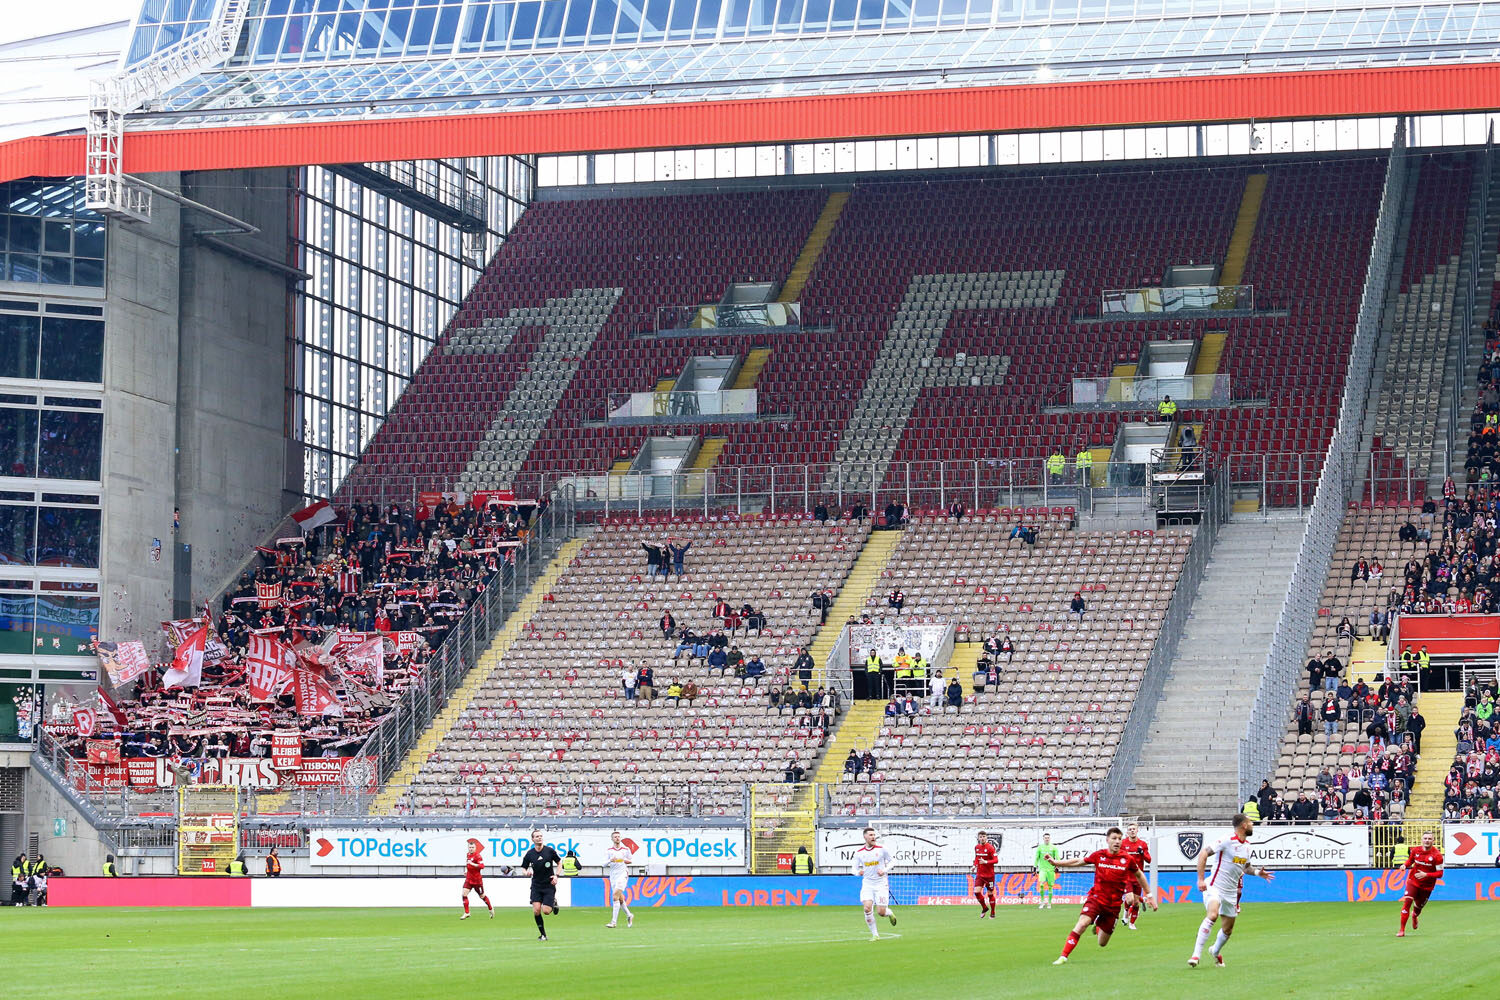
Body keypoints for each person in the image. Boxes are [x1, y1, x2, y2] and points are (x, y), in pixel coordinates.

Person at [1051, 827, 1156, 964]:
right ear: (1107, 840)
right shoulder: (1099, 855)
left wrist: (1149, 895)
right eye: (1114, 838)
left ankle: (1099, 923)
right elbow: (1078, 861)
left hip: (1113, 905)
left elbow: (1140, 875)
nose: (1117, 841)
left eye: (1119, 838)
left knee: (1102, 943)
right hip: (1096, 898)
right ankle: (1063, 956)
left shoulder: (1127, 859)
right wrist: (1056, 862)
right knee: (1083, 923)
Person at [1189, 813, 1275, 968]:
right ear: (1243, 825)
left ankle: (1214, 952)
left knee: (1227, 930)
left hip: (1230, 893)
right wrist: (1200, 879)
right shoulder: (1226, 840)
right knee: (1213, 914)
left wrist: (1257, 873)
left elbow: (1246, 867)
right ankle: (1196, 955)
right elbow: (1203, 853)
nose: (1252, 825)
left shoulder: (1247, 846)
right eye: (1250, 822)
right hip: (1214, 886)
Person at [851, 827, 898, 940]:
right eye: (870, 835)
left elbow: (893, 861)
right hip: (867, 884)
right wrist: (858, 872)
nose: (873, 837)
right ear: (865, 837)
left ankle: (889, 913)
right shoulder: (859, 853)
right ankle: (875, 935)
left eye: (874, 835)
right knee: (867, 908)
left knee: (881, 912)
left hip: (881, 884)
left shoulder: (882, 849)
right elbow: (853, 869)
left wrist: (884, 870)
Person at [1397, 830, 1443, 937]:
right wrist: (1404, 865)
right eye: (1425, 838)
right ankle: (1402, 930)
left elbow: (1440, 874)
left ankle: (1414, 916)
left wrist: (1426, 875)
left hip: (1427, 886)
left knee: (1418, 908)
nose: (1427, 841)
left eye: (1429, 839)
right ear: (1422, 840)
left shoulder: (1437, 855)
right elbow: (1410, 860)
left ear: (1433, 840)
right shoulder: (1416, 850)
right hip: (1413, 881)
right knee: (1407, 902)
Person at [520, 830, 562, 940]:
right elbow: (523, 868)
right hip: (536, 886)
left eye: (541, 836)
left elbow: (559, 862)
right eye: (537, 836)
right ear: (532, 839)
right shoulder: (530, 853)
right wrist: (526, 873)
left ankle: (553, 901)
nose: (539, 838)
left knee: (546, 911)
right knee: (536, 910)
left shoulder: (549, 851)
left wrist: (556, 875)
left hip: (548, 885)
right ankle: (543, 934)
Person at [1120, 822, 1152, 929]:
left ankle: (1132, 924)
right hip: (1127, 876)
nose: (1132, 831)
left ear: (1137, 830)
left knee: (1136, 902)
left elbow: (1149, 860)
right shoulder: (1123, 844)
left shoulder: (1142, 844)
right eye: (1130, 829)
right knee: (1129, 900)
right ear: (1127, 832)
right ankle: (1125, 913)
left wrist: (1142, 853)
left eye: (1134, 829)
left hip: (1138, 877)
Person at [603, 831, 635, 929]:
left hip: (622, 874)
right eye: (615, 837)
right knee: (620, 899)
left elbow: (630, 860)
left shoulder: (626, 849)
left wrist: (624, 860)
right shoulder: (609, 851)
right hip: (613, 876)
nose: (617, 838)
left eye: (618, 837)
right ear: (612, 839)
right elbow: (603, 864)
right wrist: (610, 860)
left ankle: (613, 922)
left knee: (614, 897)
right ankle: (629, 915)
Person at [460, 838, 494, 919]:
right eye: (470, 847)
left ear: (475, 848)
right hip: (469, 879)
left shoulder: (478, 856)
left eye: (472, 847)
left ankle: (490, 908)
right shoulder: (468, 854)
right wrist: (466, 870)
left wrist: (472, 864)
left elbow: (482, 866)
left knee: (482, 896)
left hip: (477, 881)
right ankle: (467, 912)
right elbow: (467, 864)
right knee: (464, 894)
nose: (471, 849)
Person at [971, 831, 999, 919]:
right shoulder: (977, 847)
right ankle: (984, 907)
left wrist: (986, 862)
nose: (982, 838)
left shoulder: (990, 848)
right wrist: (974, 866)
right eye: (980, 837)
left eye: (983, 836)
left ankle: (993, 912)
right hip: (980, 874)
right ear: (978, 838)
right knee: (976, 892)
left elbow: (996, 860)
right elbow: (977, 858)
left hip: (989, 875)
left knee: (990, 894)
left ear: (986, 837)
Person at [1034, 834, 1059, 909]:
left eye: (1048, 838)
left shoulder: (1054, 847)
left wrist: (1057, 866)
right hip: (1042, 869)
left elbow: (1057, 857)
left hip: (1051, 870)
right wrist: (1035, 868)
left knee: (1050, 886)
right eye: (1045, 838)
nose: (1047, 839)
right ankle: (1042, 902)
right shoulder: (1040, 847)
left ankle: (1049, 903)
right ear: (1043, 839)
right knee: (1041, 884)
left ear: (1050, 838)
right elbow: (1036, 858)